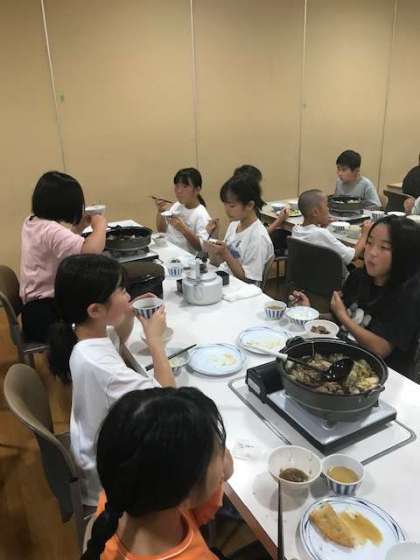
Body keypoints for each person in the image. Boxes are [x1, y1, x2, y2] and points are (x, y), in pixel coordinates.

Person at [48, 254, 175, 506]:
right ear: (95, 310)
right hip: (109, 480)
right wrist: (155, 342)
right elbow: (168, 399)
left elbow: (115, 340)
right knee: (185, 438)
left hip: (96, 449)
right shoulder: (100, 367)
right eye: (121, 290)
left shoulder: (81, 333)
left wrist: (127, 313)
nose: (128, 294)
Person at [81, 387, 233, 560]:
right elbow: (227, 468)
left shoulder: (117, 498)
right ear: (188, 494)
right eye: (217, 450)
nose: (223, 453)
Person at [292, 216, 420, 378]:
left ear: (404, 254)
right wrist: (310, 313)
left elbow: (381, 348)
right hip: (344, 361)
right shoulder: (358, 277)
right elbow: (340, 321)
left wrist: (343, 316)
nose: (372, 252)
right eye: (369, 242)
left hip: (384, 375)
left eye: (384, 247)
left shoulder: (410, 295)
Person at [19, 171, 107, 342]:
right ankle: (91, 349)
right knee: (100, 305)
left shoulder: (32, 221)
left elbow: (58, 245)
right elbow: (90, 252)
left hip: (32, 308)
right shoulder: (50, 229)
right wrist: (100, 226)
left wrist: (78, 229)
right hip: (46, 315)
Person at [206, 174, 274, 285]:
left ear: (250, 205)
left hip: (242, 289)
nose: (226, 210)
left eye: (232, 206)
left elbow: (249, 280)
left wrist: (226, 254)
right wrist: (213, 237)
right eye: (225, 205)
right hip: (226, 280)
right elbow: (217, 263)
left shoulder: (258, 237)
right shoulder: (234, 225)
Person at [292, 189, 371, 277]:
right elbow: (353, 256)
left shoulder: (296, 229)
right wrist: (365, 234)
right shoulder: (321, 234)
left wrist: (322, 226)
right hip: (333, 280)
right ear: (315, 212)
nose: (328, 209)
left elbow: (314, 236)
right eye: (326, 206)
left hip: (308, 277)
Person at [232, 164, 290, 255]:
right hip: (254, 245)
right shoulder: (249, 206)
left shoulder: (240, 202)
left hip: (245, 243)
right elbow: (261, 234)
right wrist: (279, 220)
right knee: (285, 234)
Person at [154, 168, 212, 253]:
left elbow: (202, 248)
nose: (179, 191)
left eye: (185, 186)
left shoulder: (201, 215)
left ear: (197, 190)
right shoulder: (177, 205)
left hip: (185, 258)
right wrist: (160, 211)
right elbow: (161, 230)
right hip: (168, 252)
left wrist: (183, 229)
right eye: (177, 186)